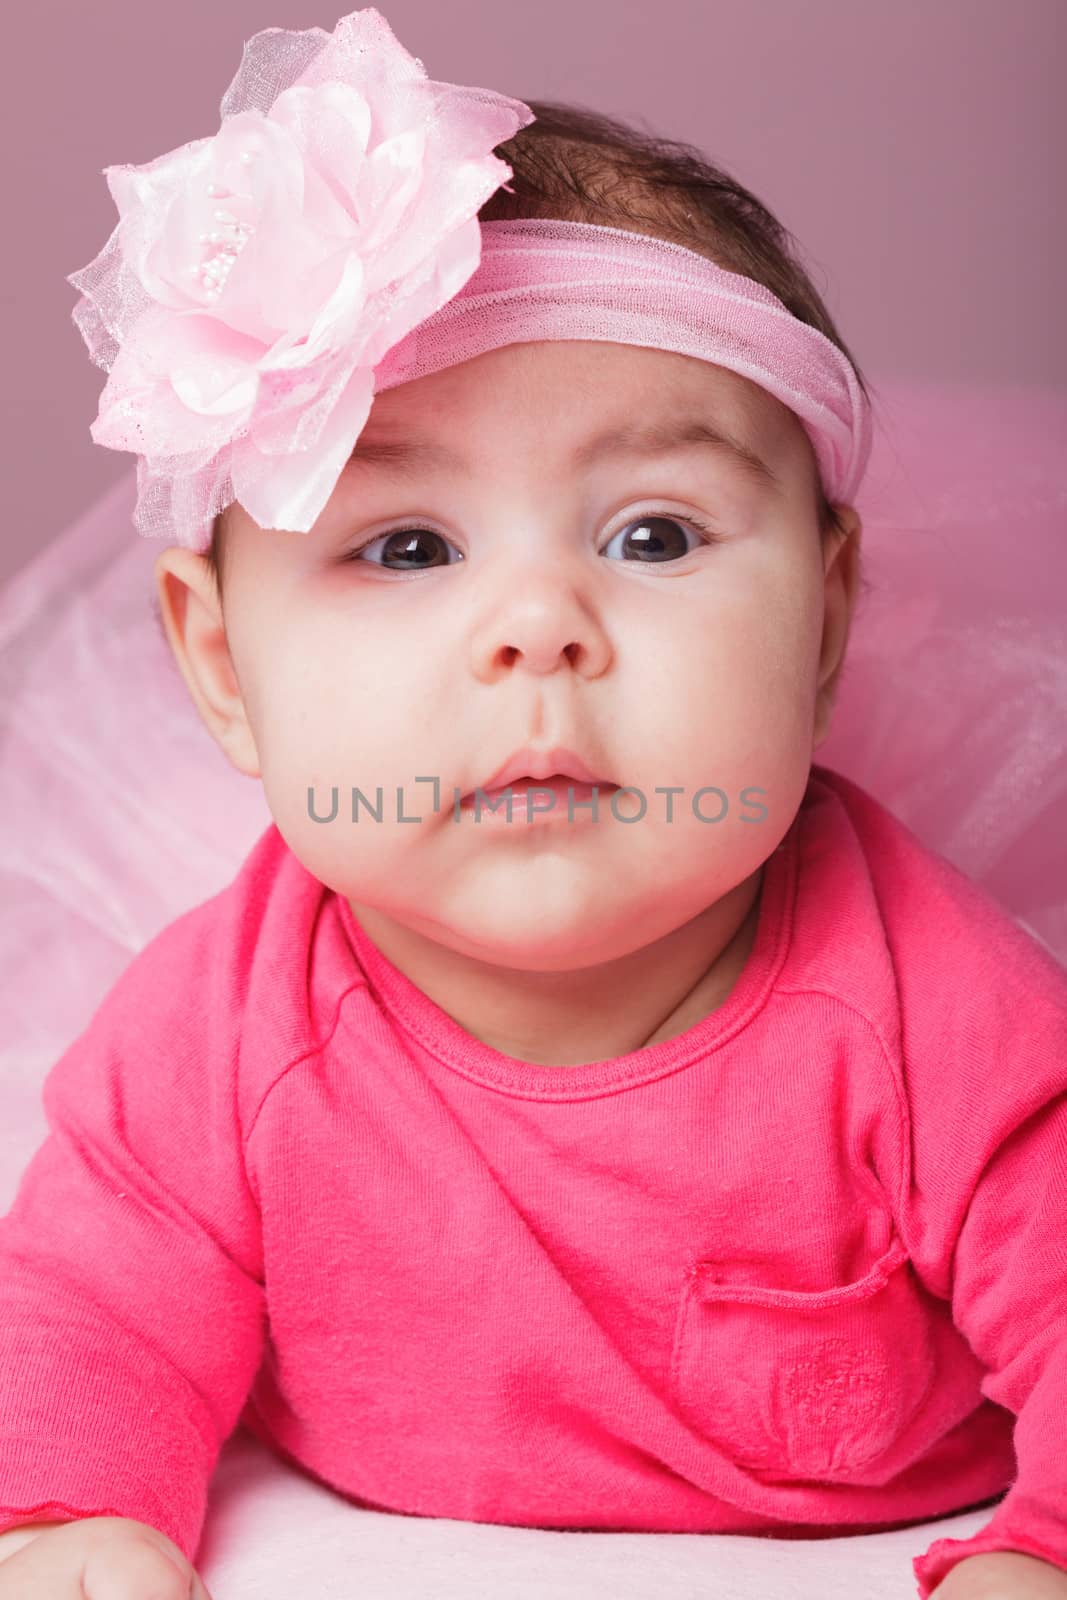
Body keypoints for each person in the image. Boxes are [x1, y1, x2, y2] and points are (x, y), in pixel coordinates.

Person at [1, 9, 1065, 1600]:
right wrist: (70, 1509)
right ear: (225, 666)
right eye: (409, 547)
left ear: (828, 621)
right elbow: (92, 1298)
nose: (539, 625)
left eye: (651, 535)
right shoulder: (228, 1028)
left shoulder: (930, 1009)